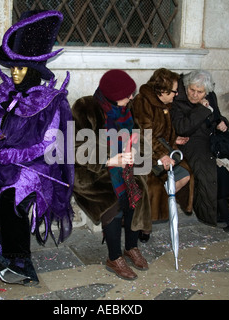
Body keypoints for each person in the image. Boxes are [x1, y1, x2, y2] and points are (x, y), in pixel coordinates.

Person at [0, 10, 74, 286]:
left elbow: (49, 143)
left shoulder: (52, 102)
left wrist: (12, 154)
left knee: (12, 198)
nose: (16, 73)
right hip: (1, 162)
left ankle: (20, 260)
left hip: (36, 167)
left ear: (33, 71)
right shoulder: (5, 97)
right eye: (13, 68)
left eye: (21, 68)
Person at [72, 69, 151, 280]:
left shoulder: (126, 107)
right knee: (112, 201)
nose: (132, 98)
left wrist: (137, 151)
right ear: (113, 94)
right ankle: (114, 257)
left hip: (122, 165)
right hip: (91, 172)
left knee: (137, 193)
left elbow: (137, 135)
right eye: (127, 95)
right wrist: (108, 160)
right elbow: (76, 146)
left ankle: (131, 247)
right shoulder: (85, 107)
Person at [171, 70, 229, 232]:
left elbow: (217, 116)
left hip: (212, 140)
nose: (195, 95)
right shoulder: (178, 100)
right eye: (192, 90)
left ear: (207, 91)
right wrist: (201, 110)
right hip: (191, 143)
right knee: (209, 169)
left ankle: (224, 211)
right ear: (186, 86)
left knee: (228, 165)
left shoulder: (211, 97)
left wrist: (222, 122)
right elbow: (182, 128)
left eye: (200, 92)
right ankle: (220, 215)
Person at [132, 68, 193, 242]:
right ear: (162, 90)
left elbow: (166, 131)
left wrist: (175, 140)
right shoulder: (142, 102)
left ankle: (152, 211)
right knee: (153, 187)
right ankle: (144, 224)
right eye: (174, 91)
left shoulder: (166, 104)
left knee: (185, 176)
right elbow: (144, 134)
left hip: (162, 150)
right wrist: (161, 155)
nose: (176, 94)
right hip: (144, 152)